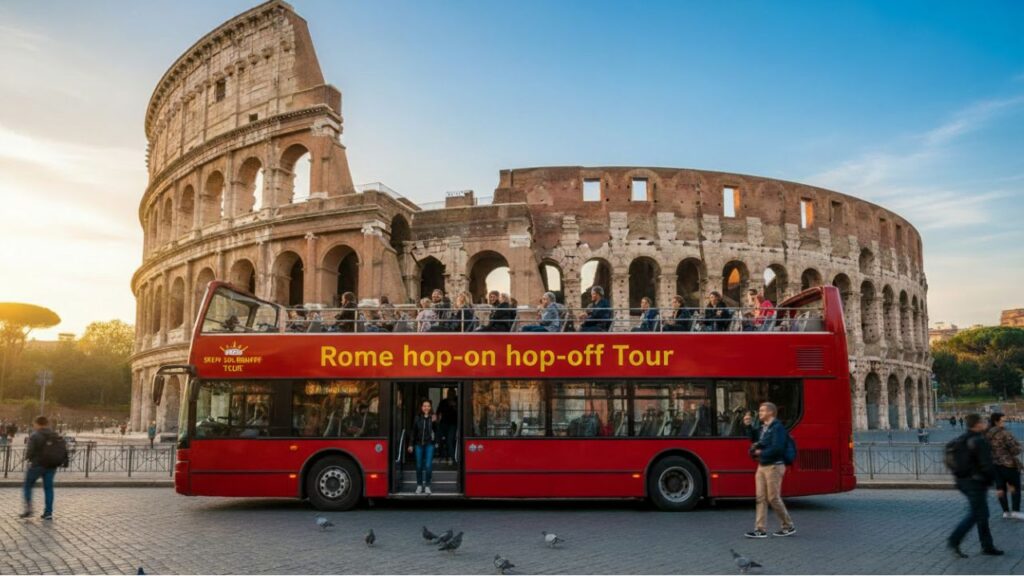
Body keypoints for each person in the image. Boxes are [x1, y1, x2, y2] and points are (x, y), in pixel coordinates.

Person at [948, 413, 1003, 557]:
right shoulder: (979, 441)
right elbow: (987, 466)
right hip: (976, 483)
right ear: (977, 424)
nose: (985, 423)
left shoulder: (961, 439)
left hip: (962, 482)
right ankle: (955, 539)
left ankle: (987, 545)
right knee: (977, 514)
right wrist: (999, 485)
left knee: (981, 513)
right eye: (983, 421)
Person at [742, 402, 795, 538]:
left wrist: (761, 453)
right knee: (760, 498)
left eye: (762, 411)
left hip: (774, 466)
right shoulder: (763, 427)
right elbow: (755, 439)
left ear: (770, 412)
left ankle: (788, 526)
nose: (759, 413)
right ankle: (760, 529)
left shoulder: (777, 428)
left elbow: (778, 448)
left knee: (773, 498)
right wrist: (748, 426)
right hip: (762, 466)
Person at [20, 416, 60, 520]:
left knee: (28, 485)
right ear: (47, 423)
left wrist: (28, 458)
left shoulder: (35, 435)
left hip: (37, 465)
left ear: (38, 424)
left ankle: (29, 509)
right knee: (48, 488)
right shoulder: (54, 435)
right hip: (51, 465)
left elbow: (30, 451)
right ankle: (48, 512)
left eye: (34, 424)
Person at [986, 412, 1023, 520]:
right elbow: (1015, 450)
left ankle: (1006, 511)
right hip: (1008, 464)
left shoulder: (986, 434)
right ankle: (1015, 511)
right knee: (1015, 487)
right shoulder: (1004, 433)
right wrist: (1018, 447)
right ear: (996, 421)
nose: (1005, 422)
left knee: (1001, 488)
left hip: (994, 465)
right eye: (1003, 420)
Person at [408, 399, 437, 494]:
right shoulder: (417, 418)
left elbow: (437, 431)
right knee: (419, 466)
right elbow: (413, 432)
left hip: (429, 444)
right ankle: (419, 485)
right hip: (418, 445)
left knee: (428, 466)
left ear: (430, 407)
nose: (426, 408)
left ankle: (428, 485)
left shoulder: (432, 418)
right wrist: (411, 444)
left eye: (428, 406)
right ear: (421, 407)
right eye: (424, 406)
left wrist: (435, 422)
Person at [437, 388, 459, 463]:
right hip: (443, 423)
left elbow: (462, 411)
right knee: (440, 439)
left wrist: (455, 406)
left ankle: (453, 458)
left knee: (450, 440)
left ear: (455, 393)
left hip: (453, 424)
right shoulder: (443, 401)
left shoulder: (458, 400)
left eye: (452, 393)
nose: (450, 394)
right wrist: (437, 421)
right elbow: (438, 412)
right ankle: (442, 456)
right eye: (449, 393)